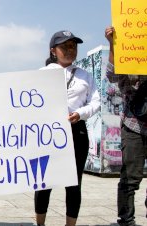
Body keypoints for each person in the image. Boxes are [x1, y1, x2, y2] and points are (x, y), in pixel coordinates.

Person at [34, 30, 100, 226]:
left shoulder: (85, 76)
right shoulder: (40, 74)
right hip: (48, 134)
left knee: (74, 183)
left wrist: (81, 113)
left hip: (76, 131)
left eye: (73, 46)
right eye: (64, 46)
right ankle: (40, 224)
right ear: (53, 50)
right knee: (44, 182)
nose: (70, 50)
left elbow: (95, 102)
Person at [105, 26, 147, 226]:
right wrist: (113, 44)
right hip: (133, 124)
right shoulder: (128, 51)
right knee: (130, 177)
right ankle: (126, 220)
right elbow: (112, 77)